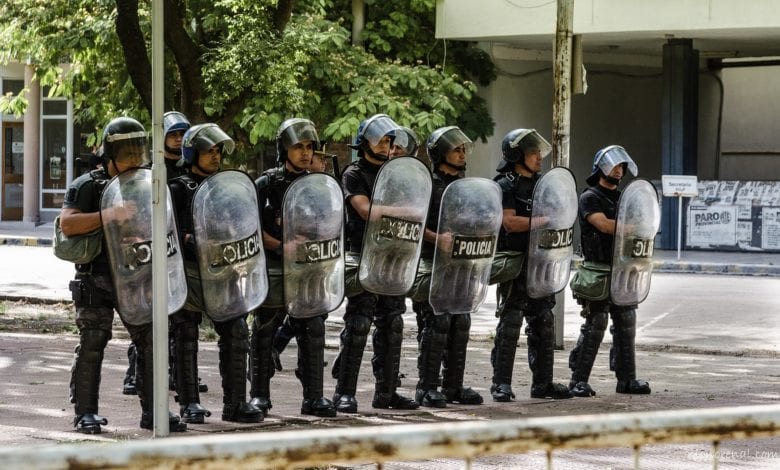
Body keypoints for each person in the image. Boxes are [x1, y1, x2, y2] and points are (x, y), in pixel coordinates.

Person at [62, 117, 186, 433]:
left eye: (138, 151)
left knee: (149, 341)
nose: (135, 159)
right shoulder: (87, 185)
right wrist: (111, 215)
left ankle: (154, 410)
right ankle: (85, 412)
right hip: (97, 277)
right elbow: (69, 224)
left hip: (137, 275)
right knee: (93, 341)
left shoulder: (147, 183)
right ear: (110, 154)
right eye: (127, 152)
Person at [168, 123, 263, 423]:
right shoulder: (177, 187)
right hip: (190, 271)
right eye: (208, 150)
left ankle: (235, 404)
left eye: (218, 151)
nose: (215, 156)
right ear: (192, 152)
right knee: (185, 334)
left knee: (237, 331)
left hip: (225, 270)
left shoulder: (226, 187)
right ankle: (189, 403)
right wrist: (188, 240)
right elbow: (168, 230)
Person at [249, 118, 337, 418]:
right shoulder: (267, 183)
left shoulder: (320, 185)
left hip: (309, 268)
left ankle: (314, 397)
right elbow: (249, 226)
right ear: (284, 148)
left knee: (312, 329)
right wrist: (278, 244)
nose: (305, 152)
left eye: (310, 147)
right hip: (273, 266)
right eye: (298, 146)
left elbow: (333, 225)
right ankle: (259, 395)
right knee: (265, 329)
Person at [332, 114, 419, 413]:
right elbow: (365, 210)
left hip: (393, 254)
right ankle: (344, 393)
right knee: (358, 324)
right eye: (382, 139)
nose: (387, 145)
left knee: (393, 324)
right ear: (365, 142)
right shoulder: (353, 174)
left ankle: (387, 392)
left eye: (390, 141)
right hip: (363, 253)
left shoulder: (397, 174)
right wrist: (401, 211)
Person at [122, 111, 203, 396]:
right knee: (150, 315)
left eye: (183, 135)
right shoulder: (150, 169)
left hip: (181, 251)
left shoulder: (189, 169)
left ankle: (180, 373)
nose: (179, 140)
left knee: (182, 318)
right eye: (173, 134)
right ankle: (134, 373)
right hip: (152, 247)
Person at [490, 128, 573, 402]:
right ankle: (501, 384)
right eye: (533, 152)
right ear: (517, 155)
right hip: (516, 264)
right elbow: (509, 222)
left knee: (544, 322)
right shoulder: (505, 185)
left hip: (542, 263)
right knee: (511, 322)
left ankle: (543, 384)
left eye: (539, 152)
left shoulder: (543, 184)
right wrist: (541, 221)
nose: (539, 157)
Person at [568, 145, 651, 397]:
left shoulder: (625, 197)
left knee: (626, 323)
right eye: (614, 165)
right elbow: (603, 225)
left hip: (622, 269)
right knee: (596, 323)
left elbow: (645, 223)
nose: (618, 170)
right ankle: (578, 380)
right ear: (601, 167)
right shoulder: (590, 197)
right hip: (598, 270)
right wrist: (630, 226)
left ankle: (627, 380)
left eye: (622, 167)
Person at [413, 126, 483, 408]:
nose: (462, 153)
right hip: (433, 263)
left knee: (461, 322)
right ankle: (426, 387)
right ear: (440, 153)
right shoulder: (427, 186)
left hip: (462, 263)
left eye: (463, 148)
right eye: (456, 149)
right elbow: (415, 225)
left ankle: (453, 385)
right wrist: (437, 239)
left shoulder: (466, 187)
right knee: (437, 323)